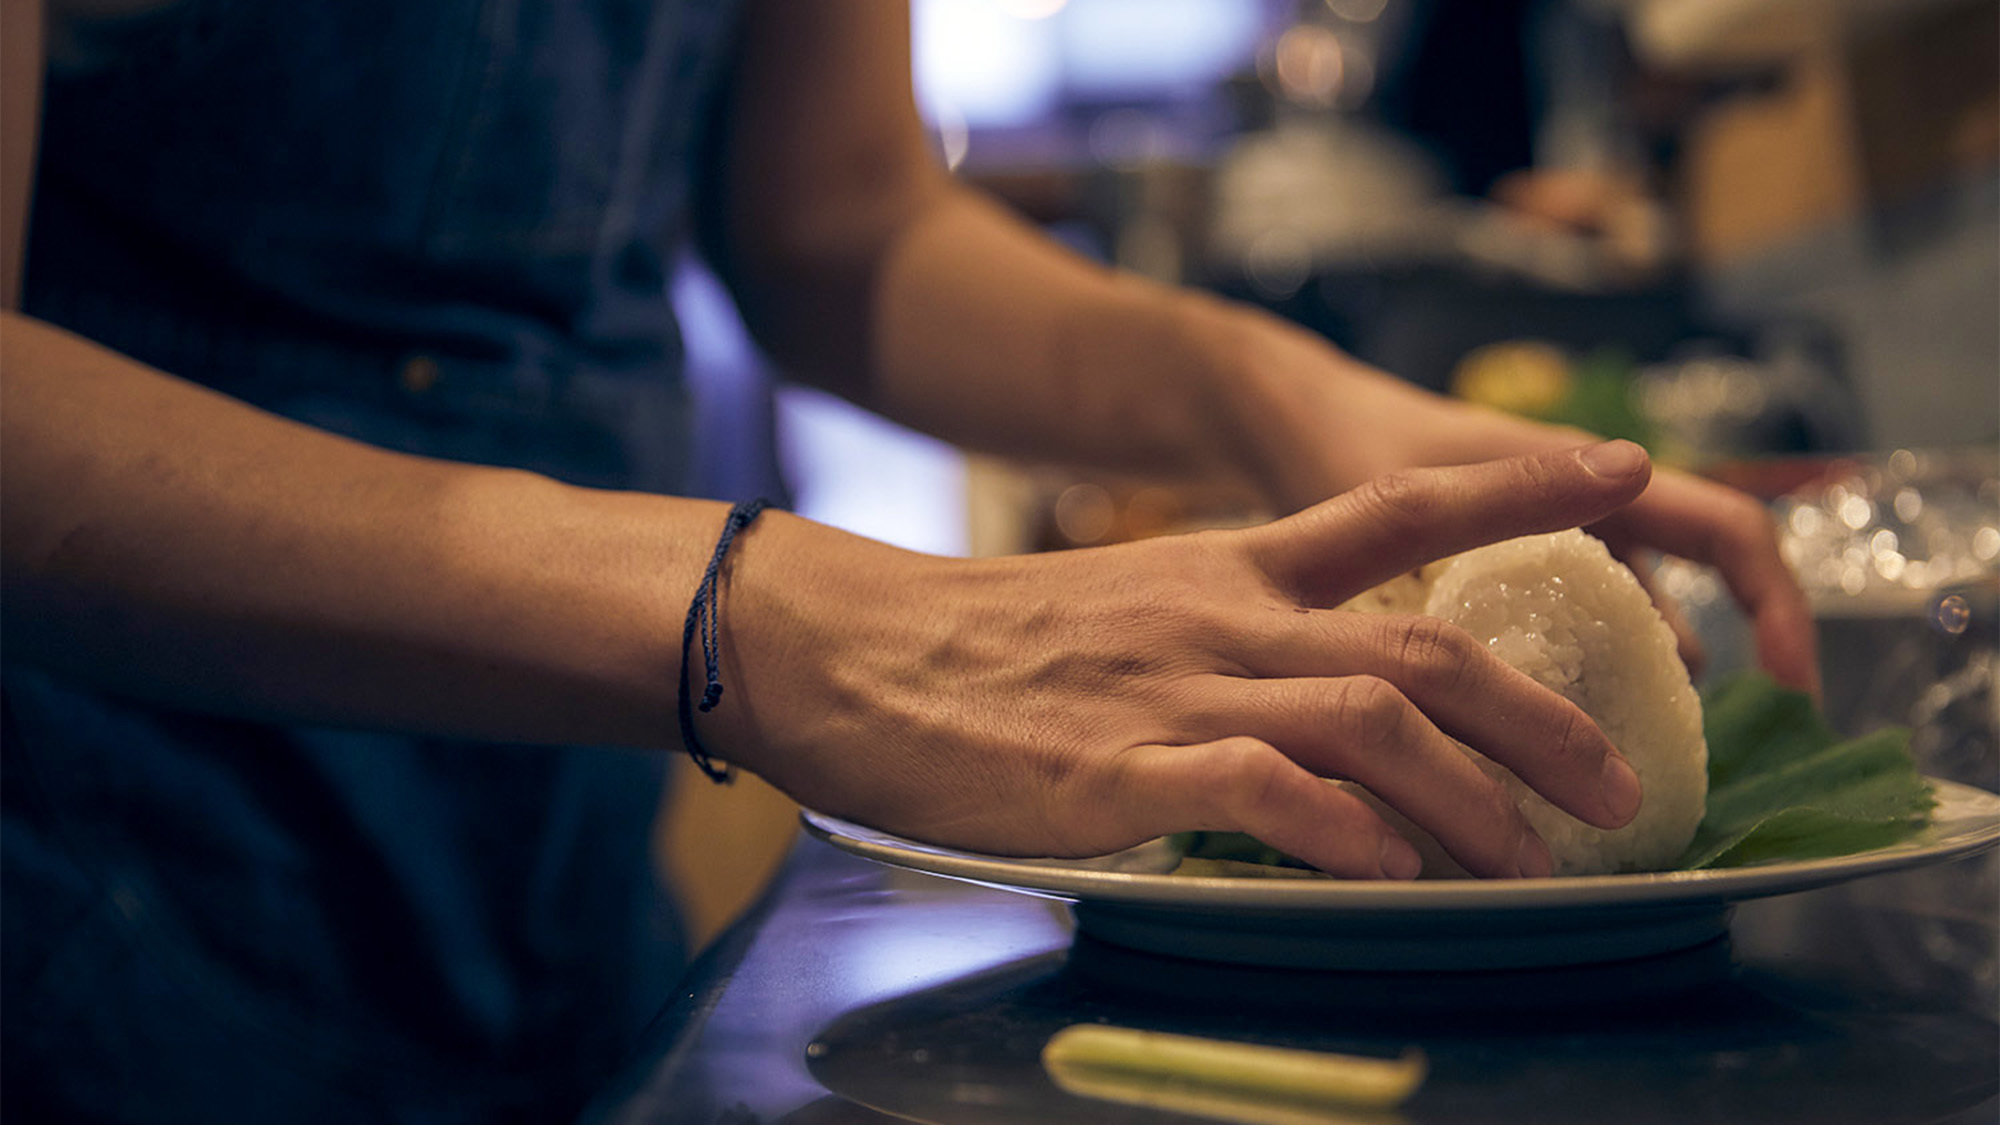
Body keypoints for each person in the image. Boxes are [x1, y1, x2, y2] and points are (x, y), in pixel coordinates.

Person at [0, 1, 1819, 1121]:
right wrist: (782, 619)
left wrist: (1265, 390)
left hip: (547, 869)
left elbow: (836, 217)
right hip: (107, 879)